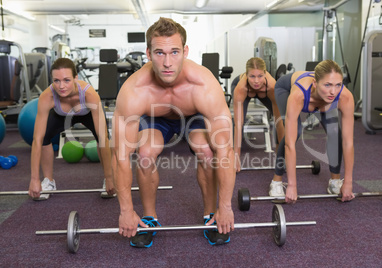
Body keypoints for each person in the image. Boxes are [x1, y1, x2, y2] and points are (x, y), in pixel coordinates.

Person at [112, 17, 235, 248]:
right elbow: (120, 156)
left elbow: (225, 151)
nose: (167, 62)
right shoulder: (134, 90)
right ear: (148, 53)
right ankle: (149, 218)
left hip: (193, 116)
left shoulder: (204, 85)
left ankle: (211, 215)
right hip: (156, 118)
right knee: (146, 153)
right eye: (160, 53)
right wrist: (126, 211)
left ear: (185, 51)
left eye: (174, 52)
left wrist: (226, 207)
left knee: (207, 151)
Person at [28, 58, 115, 200]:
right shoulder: (47, 96)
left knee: (102, 137)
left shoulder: (89, 94)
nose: (61, 86)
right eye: (56, 80)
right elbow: (36, 140)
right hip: (61, 115)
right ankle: (49, 181)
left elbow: (104, 140)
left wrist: (110, 178)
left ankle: (108, 177)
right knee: (44, 138)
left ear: (76, 78)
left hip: (86, 113)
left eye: (66, 80)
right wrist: (34, 179)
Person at [270, 60, 355, 203]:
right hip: (285, 88)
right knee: (294, 132)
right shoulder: (298, 96)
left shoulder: (344, 96)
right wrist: (292, 185)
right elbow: (289, 144)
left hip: (321, 100)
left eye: (338, 85)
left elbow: (348, 143)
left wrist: (348, 182)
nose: (333, 91)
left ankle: (335, 181)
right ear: (315, 84)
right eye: (327, 84)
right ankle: (277, 181)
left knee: (335, 132)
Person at [232, 57, 285, 172]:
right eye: (252, 76)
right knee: (238, 122)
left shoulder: (272, 87)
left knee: (281, 120)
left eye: (260, 76)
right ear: (246, 75)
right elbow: (238, 125)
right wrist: (236, 157)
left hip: (266, 92)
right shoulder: (240, 88)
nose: (256, 81)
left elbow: (278, 122)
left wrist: (282, 156)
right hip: (243, 90)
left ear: (265, 74)